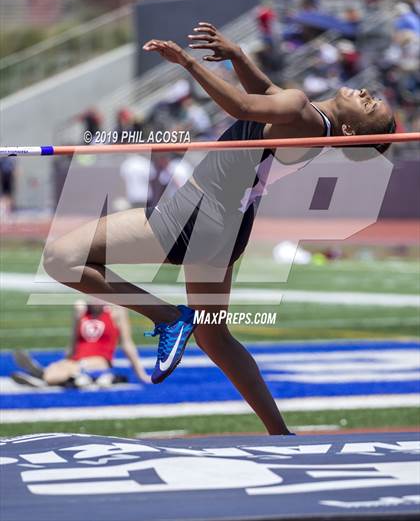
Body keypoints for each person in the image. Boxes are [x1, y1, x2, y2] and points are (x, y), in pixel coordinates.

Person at [43, 23, 395, 435]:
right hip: (227, 223)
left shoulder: (304, 113)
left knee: (61, 258)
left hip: (196, 212)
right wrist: (238, 56)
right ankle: (279, 433)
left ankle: (168, 317)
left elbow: (244, 108)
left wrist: (189, 63)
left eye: (370, 106)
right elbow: (268, 95)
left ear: (351, 132)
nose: (369, 95)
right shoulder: (307, 117)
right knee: (215, 338)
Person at [12, 302, 151, 388]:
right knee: (59, 368)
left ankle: (41, 376)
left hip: (100, 361)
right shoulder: (81, 310)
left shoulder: (116, 311)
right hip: (77, 359)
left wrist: (141, 373)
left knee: (57, 374)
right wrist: (64, 360)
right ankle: (47, 377)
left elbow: (127, 344)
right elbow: (73, 341)